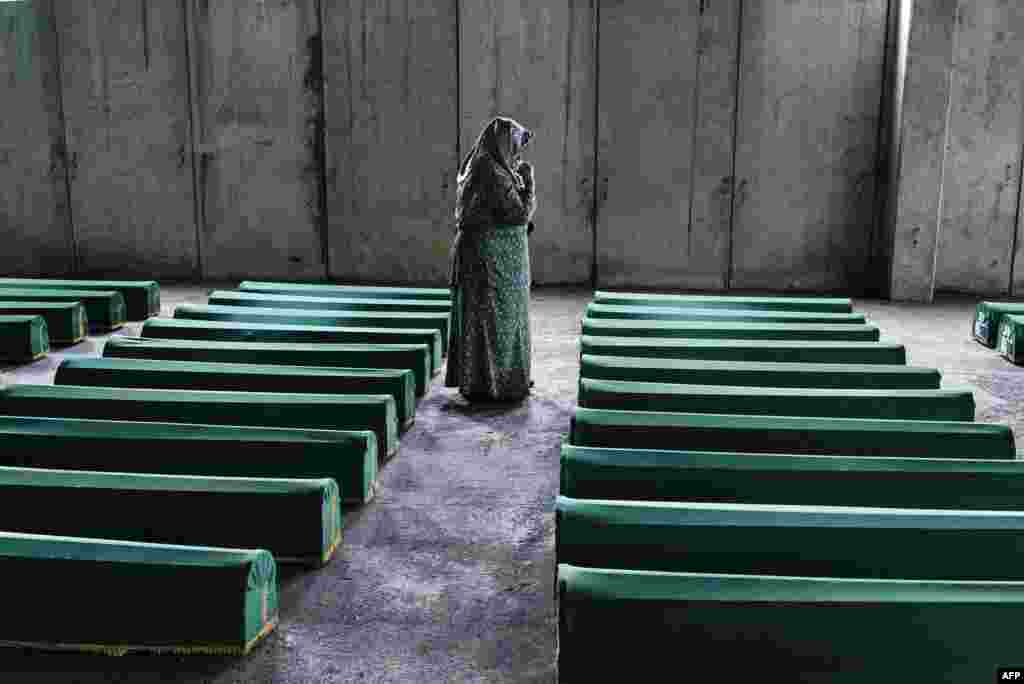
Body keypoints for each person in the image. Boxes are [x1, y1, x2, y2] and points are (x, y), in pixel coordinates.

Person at [445, 116, 536, 402]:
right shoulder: (491, 171)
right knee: (495, 322)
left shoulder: (484, 163)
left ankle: (491, 381)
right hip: (491, 264)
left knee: (491, 320)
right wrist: (529, 184)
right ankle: (497, 385)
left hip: (491, 262)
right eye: (515, 146)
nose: (518, 154)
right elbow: (518, 213)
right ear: (502, 144)